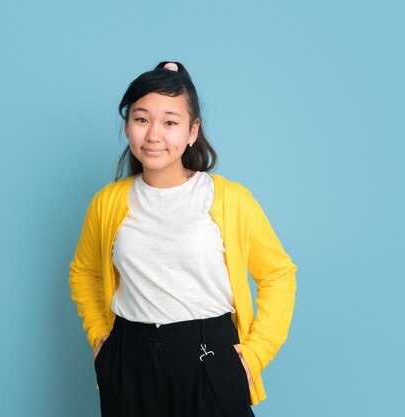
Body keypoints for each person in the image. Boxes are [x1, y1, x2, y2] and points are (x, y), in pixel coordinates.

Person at [69, 61, 297, 417]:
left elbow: (278, 274)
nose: (154, 134)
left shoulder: (229, 199)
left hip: (209, 357)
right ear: (128, 126)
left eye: (170, 122)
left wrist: (254, 355)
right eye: (141, 119)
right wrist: (101, 339)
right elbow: (84, 272)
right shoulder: (108, 203)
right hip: (129, 360)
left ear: (192, 131)